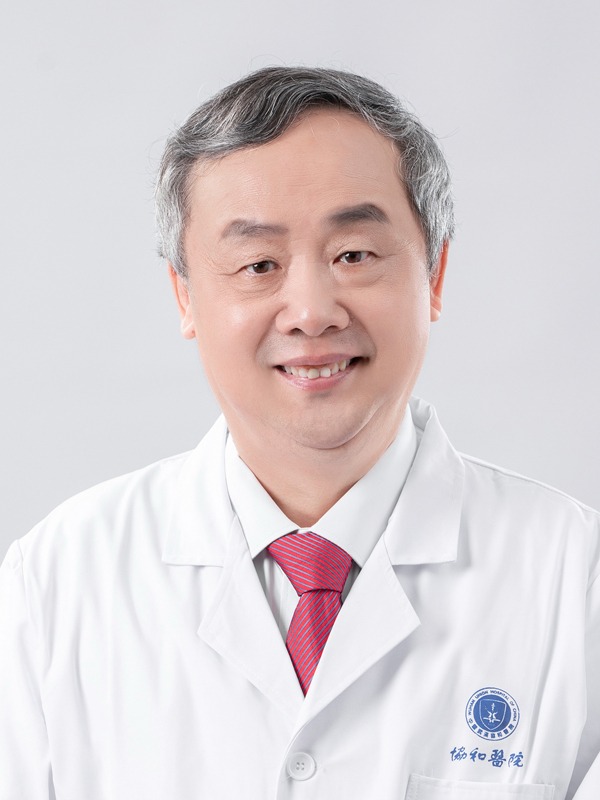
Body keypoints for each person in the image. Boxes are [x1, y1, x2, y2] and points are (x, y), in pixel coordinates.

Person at [0, 66, 598, 800]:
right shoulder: (54, 587)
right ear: (185, 296)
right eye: (259, 264)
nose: (311, 311)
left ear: (435, 274)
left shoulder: (577, 583)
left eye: (354, 255)